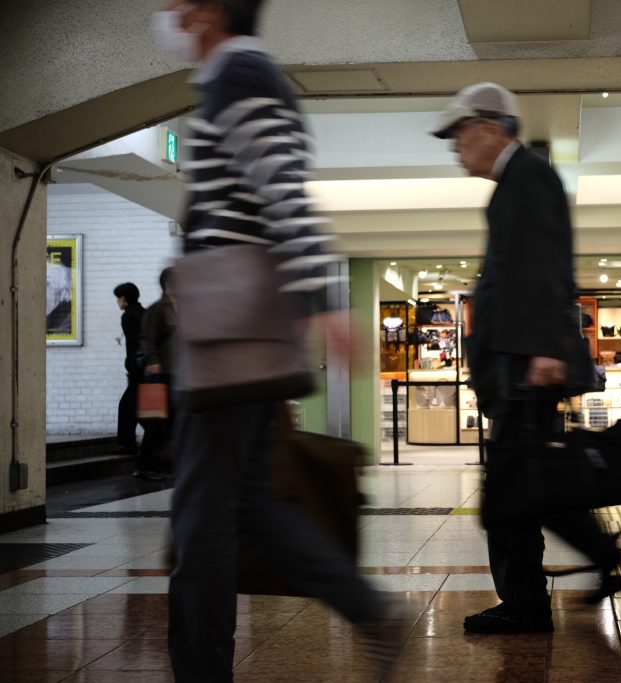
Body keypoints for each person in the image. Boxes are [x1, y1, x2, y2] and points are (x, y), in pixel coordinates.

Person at [151, 2, 402, 680]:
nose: (167, 16)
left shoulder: (242, 77)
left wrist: (322, 302)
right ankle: (368, 608)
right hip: (246, 330)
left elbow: (284, 192)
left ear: (205, 11)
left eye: (177, 5)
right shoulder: (241, 79)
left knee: (203, 521)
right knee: (251, 507)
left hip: (231, 333)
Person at [430, 83, 621, 634]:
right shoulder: (516, 183)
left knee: (512, 492)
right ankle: (556, 582)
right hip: (518, 362)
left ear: (489, 127)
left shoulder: (528, 178)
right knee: (522, 488)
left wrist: (546, 349)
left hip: (527, 364)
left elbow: (545, 268)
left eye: (458, 134)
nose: (455, 147)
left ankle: (543, 590)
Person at [137, 267, 177, 480]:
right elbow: (147, 339)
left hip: (178, 374)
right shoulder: (158, 309)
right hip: (160, 375)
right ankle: (145, 465)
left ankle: (167, 466)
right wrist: (152, 361)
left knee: (174, 421)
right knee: (156, 422)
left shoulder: (181, 308)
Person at [113, 282, 145, 458]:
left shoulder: (128, 316)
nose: (117, 302)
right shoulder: (144, 313)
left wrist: (131, 364)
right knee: (134, 406)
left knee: (127, 406)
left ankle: (128, 444)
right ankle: (130, 442)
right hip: (147, 369)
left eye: (118, 298)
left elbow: (134, 344)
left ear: (124, 298)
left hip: (137, 370)